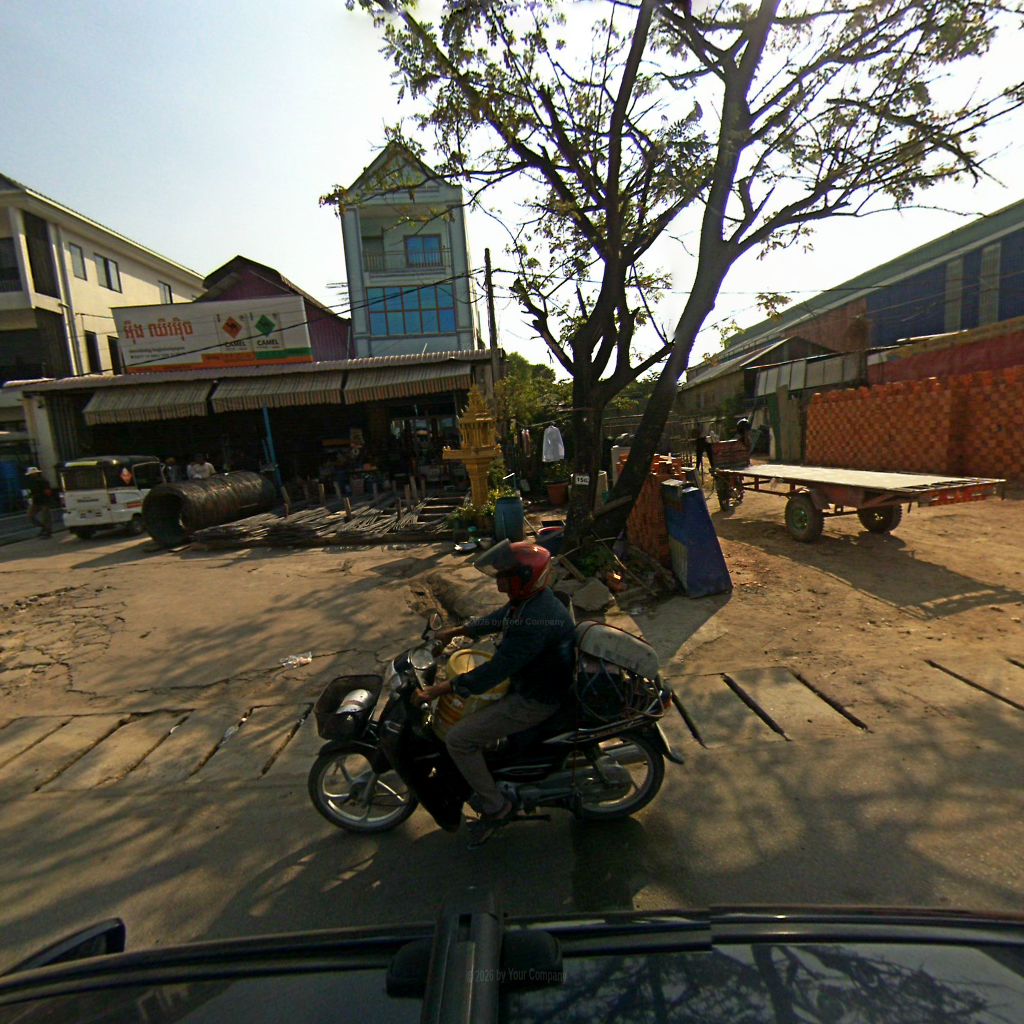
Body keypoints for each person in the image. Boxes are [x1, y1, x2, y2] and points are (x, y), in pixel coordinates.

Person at [414, 540, 576, 830]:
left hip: (535, 699)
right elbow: (500, 618)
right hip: (532, 682)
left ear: (524, 578)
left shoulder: (535, 619)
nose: (499, 581)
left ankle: (496, 806)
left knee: (459, 740)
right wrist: (457, 631)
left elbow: (494, 672)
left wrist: (436, 690)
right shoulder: (532, 601)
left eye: (505, 576)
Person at [23, 467, 55, 538]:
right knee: (30, 515)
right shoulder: (31, 482)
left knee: (46, 517)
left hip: (44, 501)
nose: (32, 475)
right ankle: (44, 527)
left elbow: (48, 492)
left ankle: (47, 531)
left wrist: (46, 498)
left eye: (33, 474)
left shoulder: (43, 481)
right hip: (36, 501)